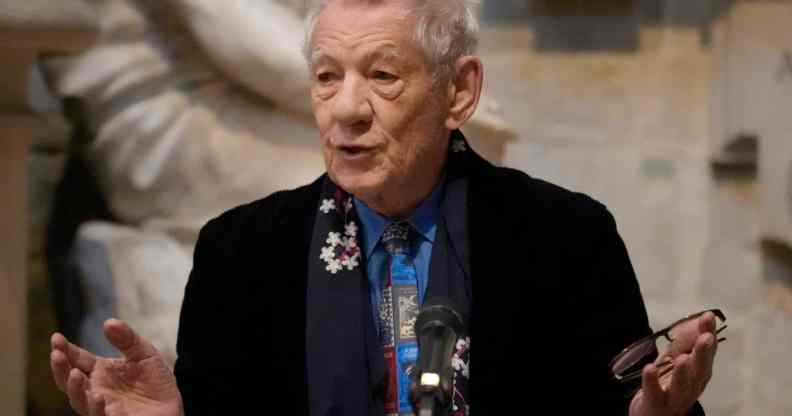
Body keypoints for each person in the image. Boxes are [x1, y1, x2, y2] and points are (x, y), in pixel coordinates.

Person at [49, 0, 720, 415]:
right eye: (325, 77)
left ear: (460, 91)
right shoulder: (240, 251)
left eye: (382, 76)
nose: (346, 110)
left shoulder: (565, 238)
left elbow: (627, 400)